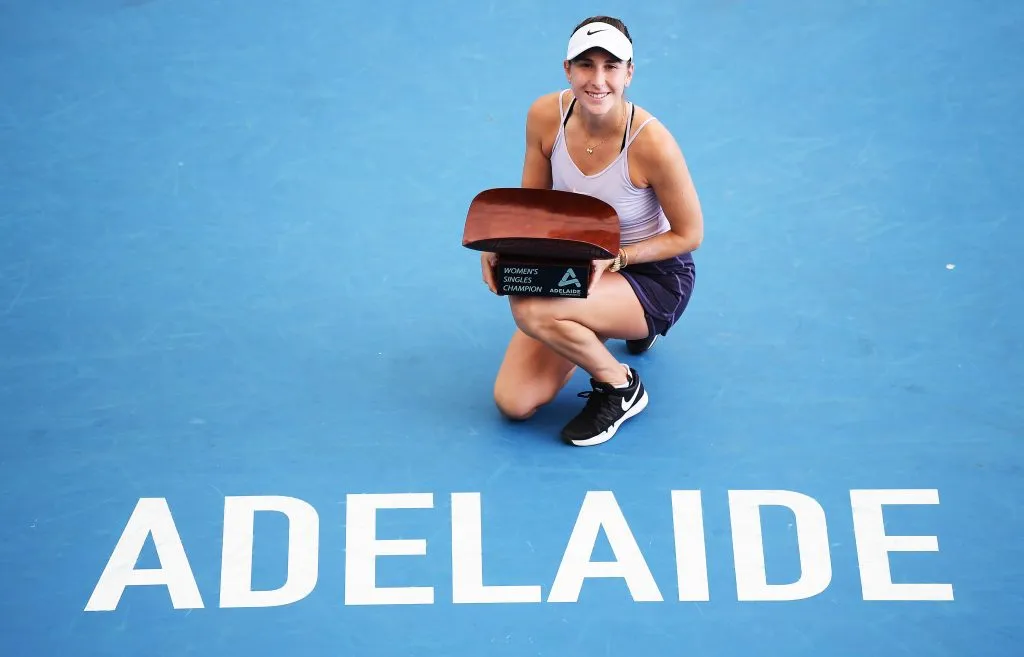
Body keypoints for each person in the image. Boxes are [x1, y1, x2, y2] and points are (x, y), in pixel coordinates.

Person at [480, 15, 703, 447]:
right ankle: (611, 324)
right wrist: (500, 248)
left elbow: (689, 235)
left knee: (532, 310)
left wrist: (617, 258)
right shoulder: (546, 116)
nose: (597, 80)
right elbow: (534, 210)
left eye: (611, 66)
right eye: (585, 64)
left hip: (653, 273)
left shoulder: (652, 144)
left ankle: (621, 387)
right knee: (514, 401)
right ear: (568, 69)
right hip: (581, 265)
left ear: (629, 73)